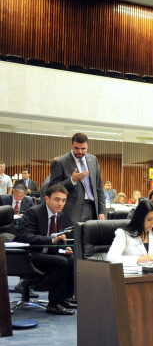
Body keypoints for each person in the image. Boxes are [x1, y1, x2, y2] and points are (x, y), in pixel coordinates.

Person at [16, 184, 76, 315]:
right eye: (57, 199)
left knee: (71, 259)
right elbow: (25, 237)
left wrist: (62, 248)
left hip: (46, 252)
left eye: (63, 200)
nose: (60, 203)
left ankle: (64, 299)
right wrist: (51, 240)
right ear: (47, 199)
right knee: (61, 262)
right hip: (28, 254)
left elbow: (55, 240)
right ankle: (53, 304)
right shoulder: (34, 212)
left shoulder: (59, 216)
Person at [48, 132, 106, 223]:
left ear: (87, 146)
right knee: (75, 237)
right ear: (71, 145)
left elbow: (99, 187)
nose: (80, 152)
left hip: (93, 209)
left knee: (91, 237)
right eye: (76, 148)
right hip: (72, 212)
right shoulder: (61, 162)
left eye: (83, 148)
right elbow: (52, 188)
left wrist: (102, 211)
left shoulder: (93, 160)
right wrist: (72, 180)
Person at [106, 200, 153, 266]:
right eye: (149, 219)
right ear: (140, 218)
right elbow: (111, 258)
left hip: (152, 277)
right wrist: (139, 259)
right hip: (131, 277)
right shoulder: (123, 234)